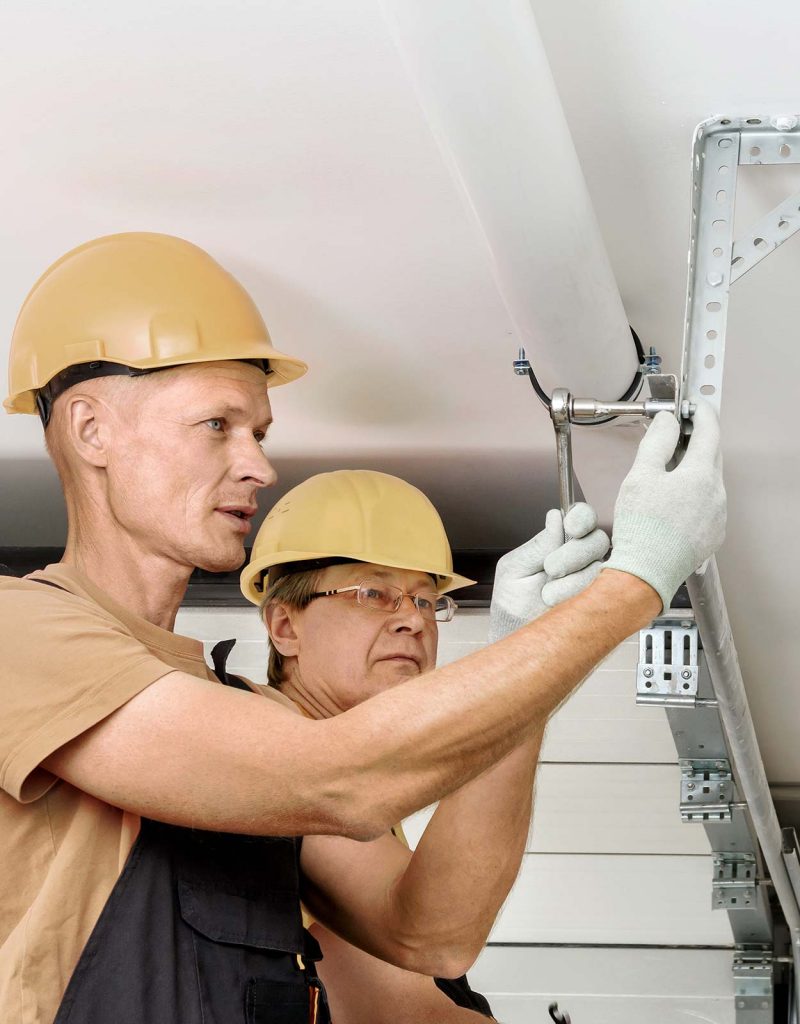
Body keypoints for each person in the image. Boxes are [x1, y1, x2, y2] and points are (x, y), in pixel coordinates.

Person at [0, 232, 725, 1024]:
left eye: (260, 433)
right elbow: (335, 777)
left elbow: (435, 934)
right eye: (217, 425)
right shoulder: (18, 632)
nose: (258, 466)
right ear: (90, 430)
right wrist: (636, 584)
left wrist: (527, 659)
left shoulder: (237, 716)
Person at [241, 468, 610, 1024]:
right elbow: (413, 991)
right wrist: (529, 666)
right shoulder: (269, 747)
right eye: (373, 593)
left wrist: (523, 666)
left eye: (425, 600)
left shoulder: (361, 787)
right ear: (284, 626)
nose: (412, 620)